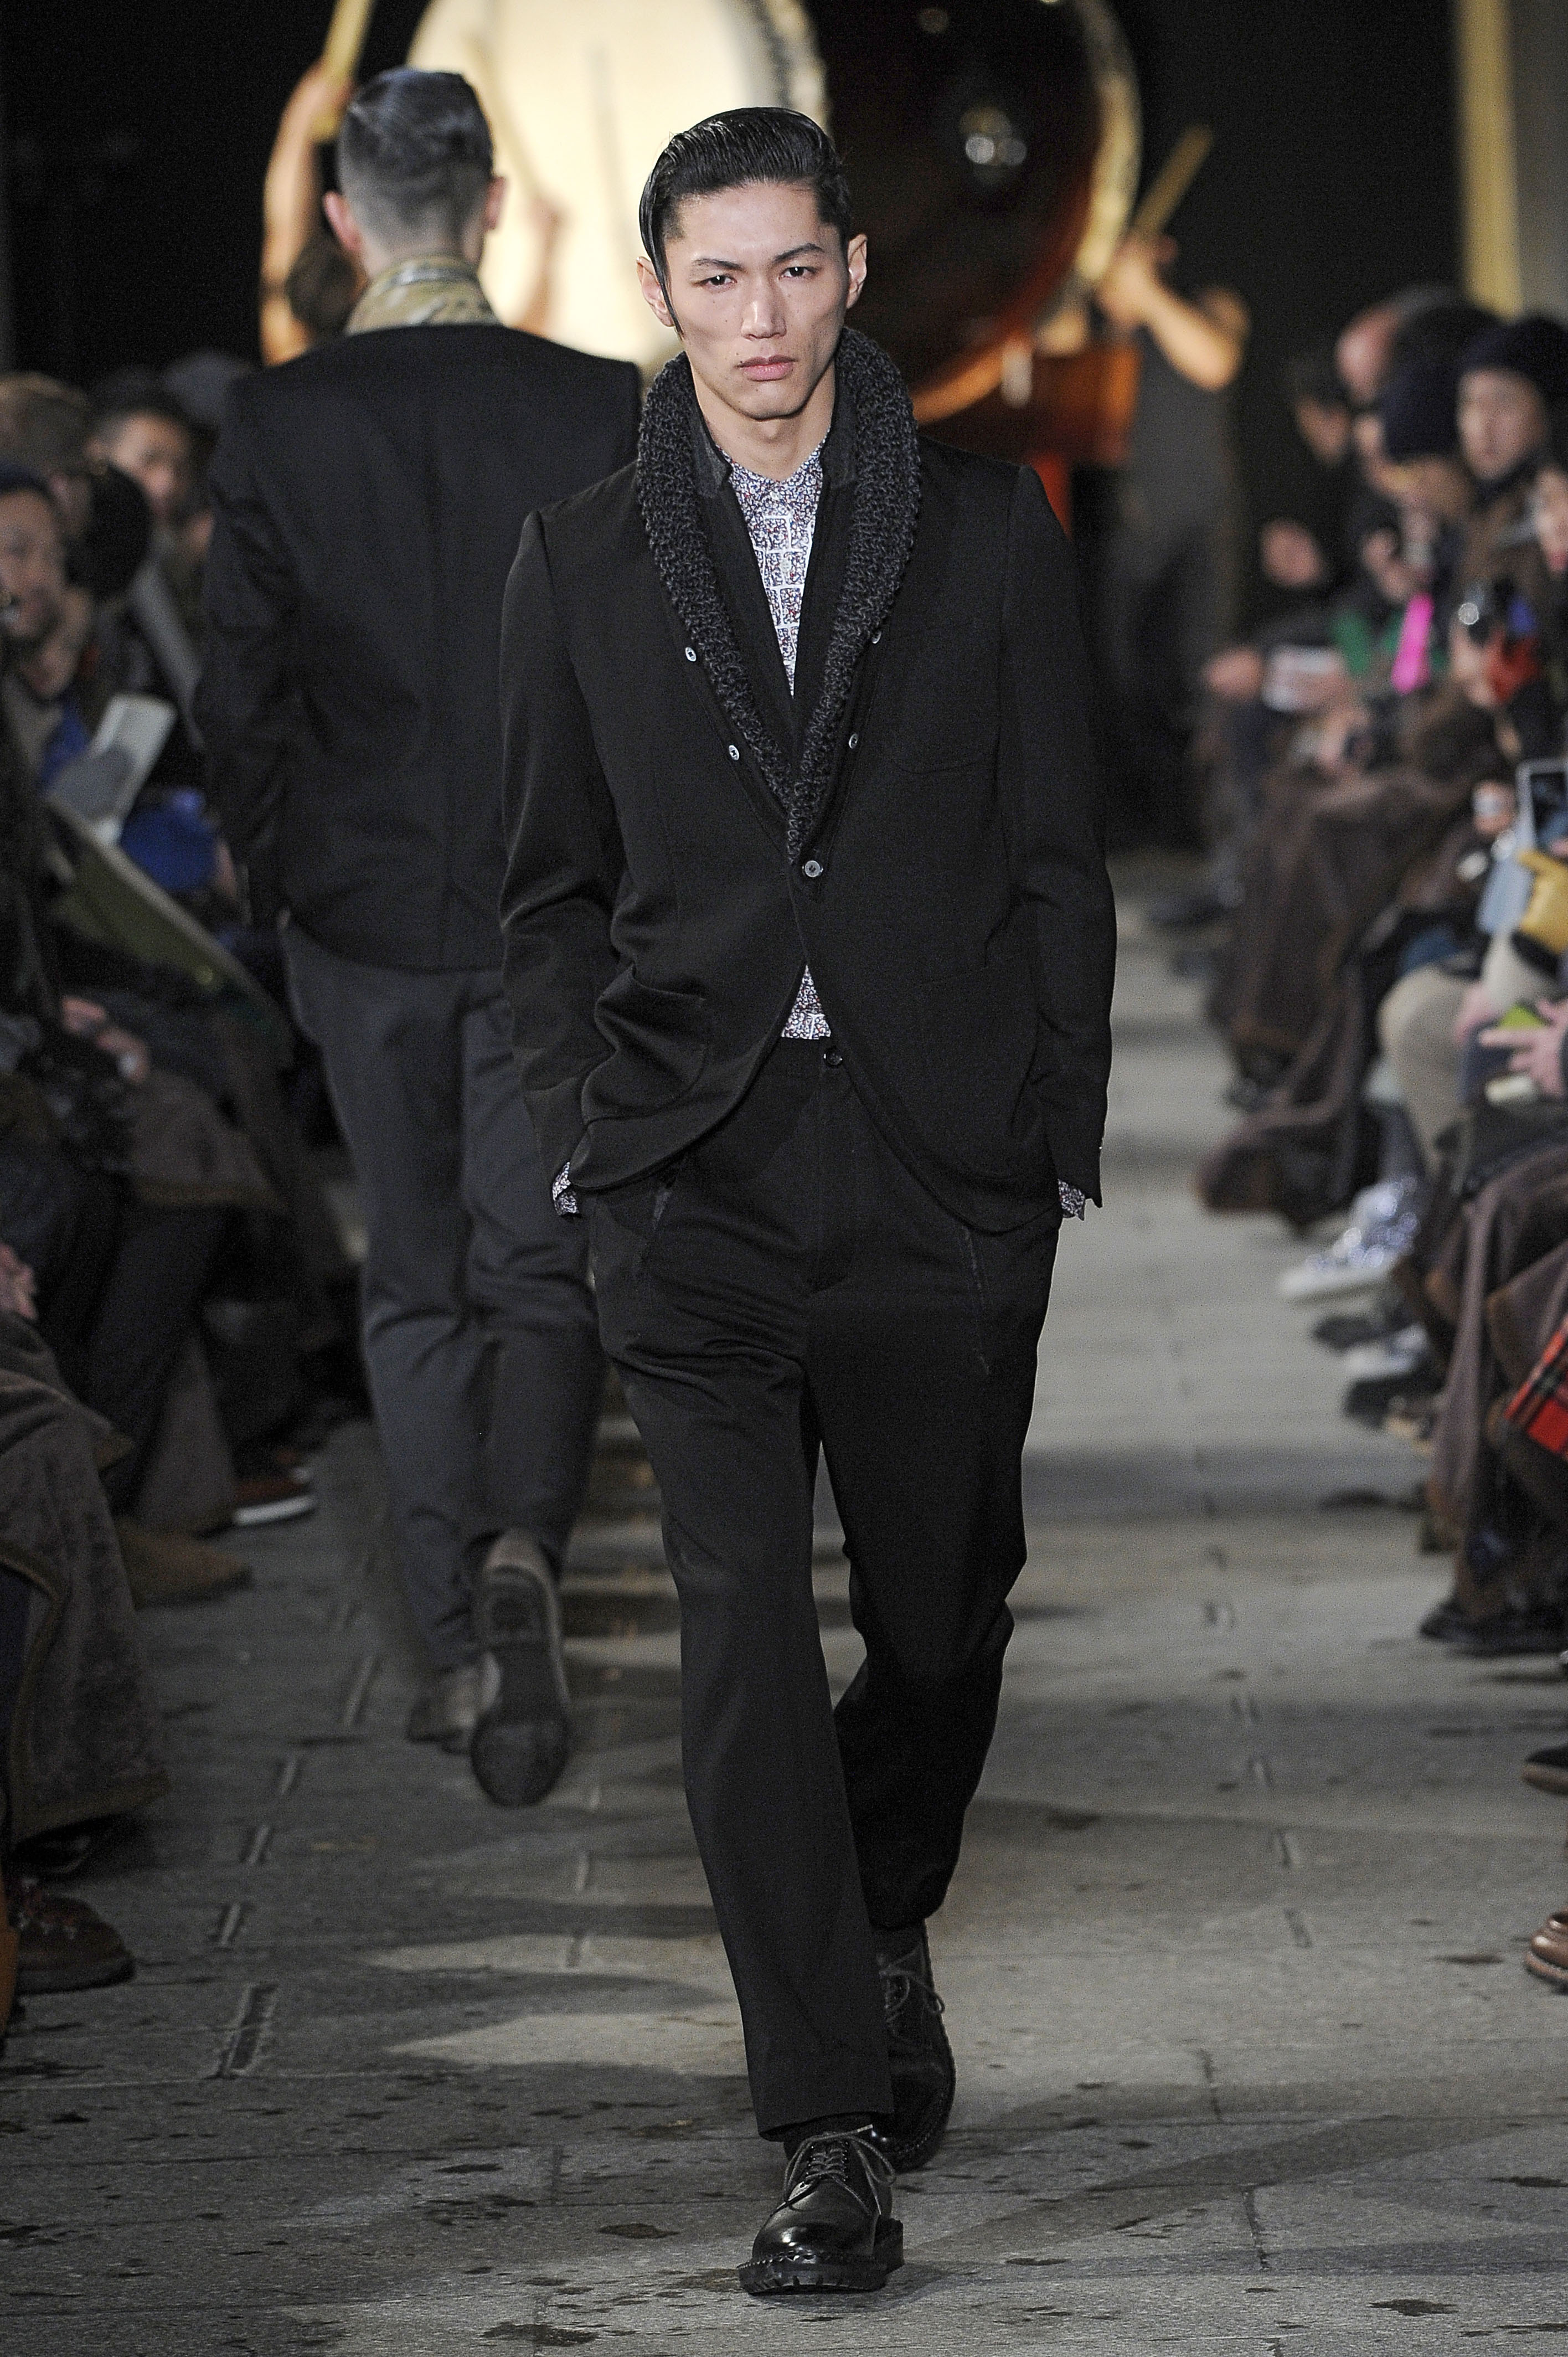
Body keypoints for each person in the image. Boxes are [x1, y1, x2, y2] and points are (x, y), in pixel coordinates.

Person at [498, 107, 1113, 2294]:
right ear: (662, 293)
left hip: (942, 1164)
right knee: (744, 1638)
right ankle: (824, 2118)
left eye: (792, 268)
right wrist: (593, 1136)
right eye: (717, 276)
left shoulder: (989, 528)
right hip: (701, 1174)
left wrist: (1046, 1137)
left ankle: (881, 1898)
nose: (758, 317)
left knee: (942, 1618)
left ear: (852, 272)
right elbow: (546, 891)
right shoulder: (581, 556)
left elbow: (1061, 849)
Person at [197, 69, 642, 1804]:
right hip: (551, 911)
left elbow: (244, 696)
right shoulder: (594, 403)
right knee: (541, 1264)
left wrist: (269, 883)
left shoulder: (280, 419)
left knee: (415, 1274)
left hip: (362, 911)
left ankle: (458, 1639)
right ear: (495, 204)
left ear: (341, 221)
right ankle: (529, 1550)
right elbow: (645, 680)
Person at [1081, 227, 1249, 845]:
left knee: (1200, 676)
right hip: (1124, 530)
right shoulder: (1097, 324)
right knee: (1121, 677)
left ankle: (1208, 829)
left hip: (1200, 524)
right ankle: (1139, 825)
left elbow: (1218, 362)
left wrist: (1147, 295)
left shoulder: (1205, 305)